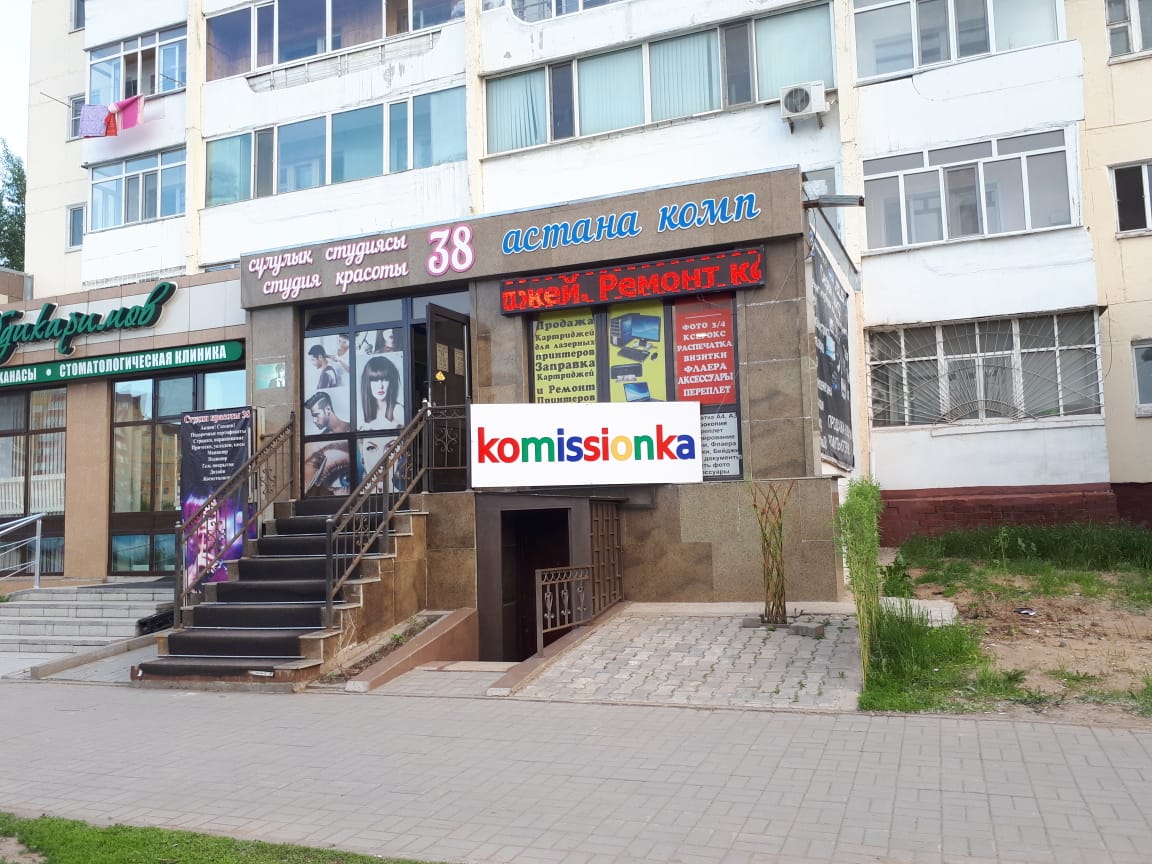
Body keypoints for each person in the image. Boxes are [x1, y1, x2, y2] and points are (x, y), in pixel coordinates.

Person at [360, 355, 403, 430]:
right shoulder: (363, 414)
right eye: (374, 380)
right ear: (367, 384)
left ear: (391, 382)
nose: (380, 386)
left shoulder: (398, 410)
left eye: (385, 379)